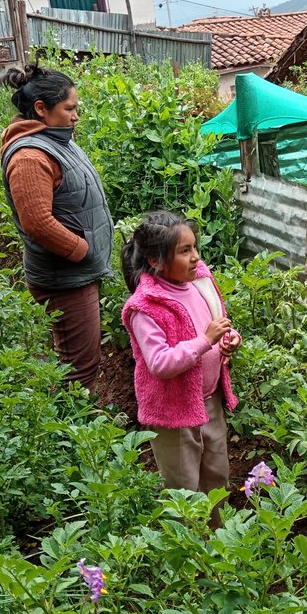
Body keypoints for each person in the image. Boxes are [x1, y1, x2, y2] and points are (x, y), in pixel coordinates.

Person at [0, 64, 113, 392]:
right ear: (40, 109)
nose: (76, 115)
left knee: (82, 359)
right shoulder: (30, 157)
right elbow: (37, 222)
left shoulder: (54, 140)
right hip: (65, 278)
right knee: (78, 367)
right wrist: (83, 251)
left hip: (77, 272)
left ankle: (76, 421)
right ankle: (71, 433)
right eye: (69, 108)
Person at [121, 211, 240, 515]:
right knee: (184, 489)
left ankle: (219, 541)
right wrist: (205, 342)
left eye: (194, 247)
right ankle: (190, 552)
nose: (195, 257)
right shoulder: (145, 307)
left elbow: (215, 324)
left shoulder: (200, 283)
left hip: (208, 401)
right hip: (173, 413)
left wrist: (228, 338)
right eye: (184, 251)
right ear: (155, 261)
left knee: (216, 475)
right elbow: (159, 363)